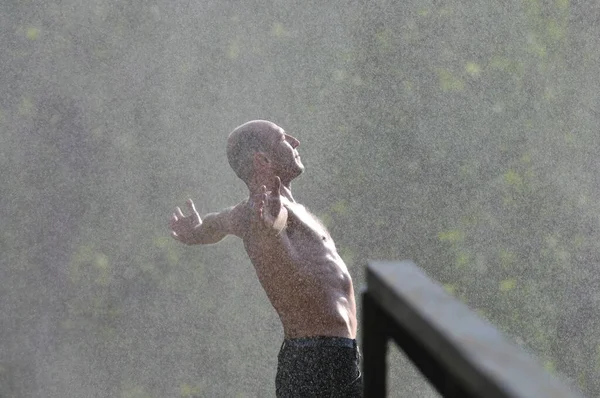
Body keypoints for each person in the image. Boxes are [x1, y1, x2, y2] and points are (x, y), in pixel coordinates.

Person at [169, 120, 362, 397]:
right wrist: (271, 224)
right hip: (314, 359)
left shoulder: (291, 208)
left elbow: (217, 223)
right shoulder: (256, 212)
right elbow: (270, 223)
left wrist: (197, 231)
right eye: (283, 138)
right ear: (263, 160)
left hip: (340, 354)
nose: (295, 141)